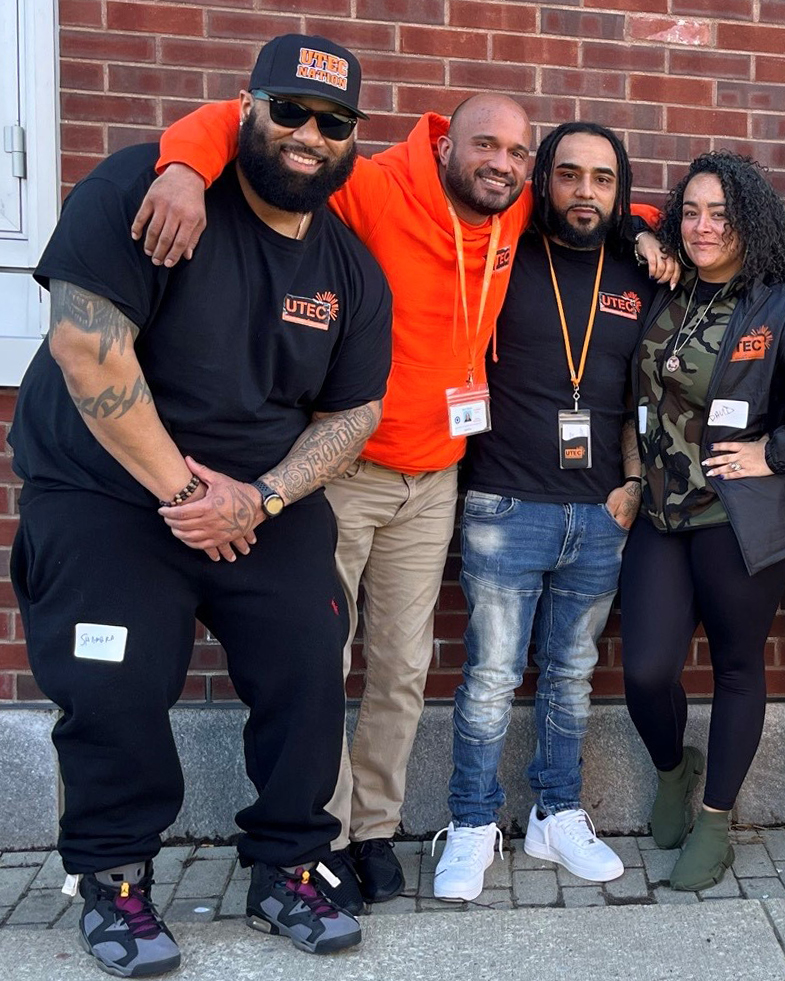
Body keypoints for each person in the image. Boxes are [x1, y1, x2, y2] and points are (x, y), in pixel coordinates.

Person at [135, 95, 669, 911]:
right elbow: (254, 134)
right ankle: (328, 834)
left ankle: (376, 827)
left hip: (438, 475)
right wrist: (179, 167)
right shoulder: (377, 185)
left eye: (517, 153)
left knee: (401, 668)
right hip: (347, 469)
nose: (502, 163)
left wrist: (644, 228)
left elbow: (593, 198)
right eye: (484, 145)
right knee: (323, 660)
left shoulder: (518, 202)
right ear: (446, 142)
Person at [6, 34, 385, 975]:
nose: (308, 134)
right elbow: (86, 346)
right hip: (109, 491)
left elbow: (355, 412)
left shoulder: (348, 268)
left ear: (350, 143)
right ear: (245, 110)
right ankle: (115, 880)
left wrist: (257, 497)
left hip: (258, 503)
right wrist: (185, 492)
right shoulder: (148, 190)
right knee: (114, 686)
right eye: (289, 110)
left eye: (332, 123)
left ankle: (289, 863)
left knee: (309, 663)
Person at [622, 151, 785, 892]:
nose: (702, 227)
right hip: (661, 515)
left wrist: (775, 449)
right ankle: (674, 768)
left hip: (739, 521)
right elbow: (603, 222)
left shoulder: (776, 306)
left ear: (750, 222)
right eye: (690, 212)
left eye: (720, 215)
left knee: (737, 666)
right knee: (646, 669)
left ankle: (714, 819)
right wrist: (641, 234)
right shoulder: (662, 284)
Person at [426, 122, 656, 900]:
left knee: (571, 674)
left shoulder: (639, 268)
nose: (584, 191)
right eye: (567, 174)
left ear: (620, 190)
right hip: (504, 501)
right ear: (541, 181)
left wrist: (629, 482)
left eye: (602, 178)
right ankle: (469, 822)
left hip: (600, 512)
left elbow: (642, 395)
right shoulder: (503, 248)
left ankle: (555, 815)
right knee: (489, 675)